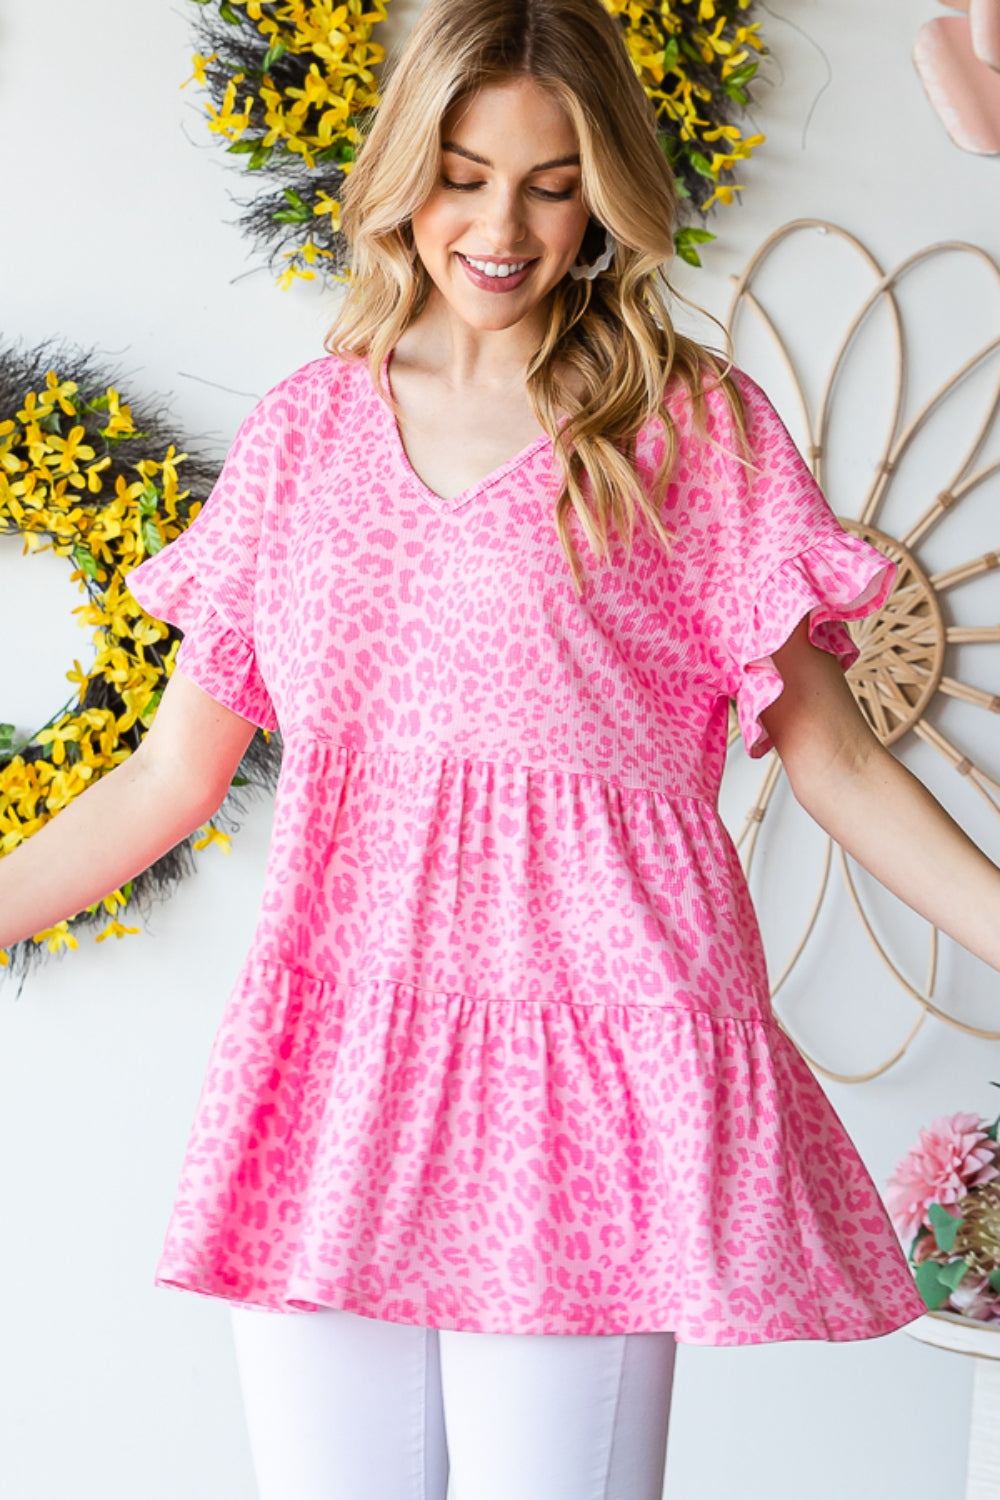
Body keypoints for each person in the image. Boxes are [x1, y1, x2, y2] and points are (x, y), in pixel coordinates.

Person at [3, 0, 1000, 1495]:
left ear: (604, 190)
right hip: (342, 1062)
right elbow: (170, 779)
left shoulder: (689, 429)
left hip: (589, 1065)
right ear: (407, 167)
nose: (503, 226)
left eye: (551, 180)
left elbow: (835, 760)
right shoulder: (303, 439)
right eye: (465, 172)